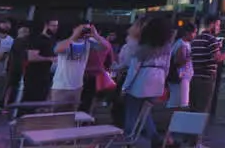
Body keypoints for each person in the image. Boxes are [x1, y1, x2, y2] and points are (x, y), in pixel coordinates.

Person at [121, 16, 172, 146]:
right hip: (158, 82)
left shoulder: (143, 48)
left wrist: (125, 87)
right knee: (145, 111)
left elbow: (133, 70)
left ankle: (129, 138)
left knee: (132, 110)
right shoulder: (167, 47)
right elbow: (167, 67)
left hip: (141, 82)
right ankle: (154, 137)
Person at [189, 16, 225, 114]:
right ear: (212, 24)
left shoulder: (196, 39)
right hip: (205, 79)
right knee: (201, 109)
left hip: (193, 78)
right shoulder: (211, 39)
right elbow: (218, 58)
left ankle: (189, 128)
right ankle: (197, 128)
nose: (219, 28)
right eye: (218, 25)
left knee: (193, 109)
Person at [51, 24, 105, 108]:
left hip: (77, 86)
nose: (83, 31)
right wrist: (74, 36)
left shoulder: (88, 43)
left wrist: (96, 35)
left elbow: (104, 48)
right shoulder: (66, 42)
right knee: (57, 116)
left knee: (72, 116)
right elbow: (57, 50)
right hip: (61, 86)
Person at [24, 18, 60, 103]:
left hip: (46, 75)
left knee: (41, 100)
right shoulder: (38, 39)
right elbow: (31, 57)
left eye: (57, 26)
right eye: (53, 25)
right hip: (34, 76)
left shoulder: (52, 40)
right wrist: (50, 59)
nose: (55, 28)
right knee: (31, 100)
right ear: (46, 26)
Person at [81, 25, 115, 113]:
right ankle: (88, 118)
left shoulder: (82, 42)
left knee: (80, 99)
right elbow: (110, 61)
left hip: (81, 74)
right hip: (97, 74)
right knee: (92, 98)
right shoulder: (106, 44)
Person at [167, 24, 194, 110]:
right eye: (194, 33)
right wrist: (190, 56)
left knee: (178, 101)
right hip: (181, 77)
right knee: (180, 102)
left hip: (183, 77)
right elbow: (179, 62)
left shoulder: (185, 43)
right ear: (187, 33)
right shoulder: (181, 44)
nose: (195, 35)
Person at [6, 25, 31, 106]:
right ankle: (10, 103)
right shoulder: (22, 42)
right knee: (13, 87)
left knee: (11, 86)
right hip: (18, 67)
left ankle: (7, 104)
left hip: (13, 67)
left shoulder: (15, 42)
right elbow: (23, 55)